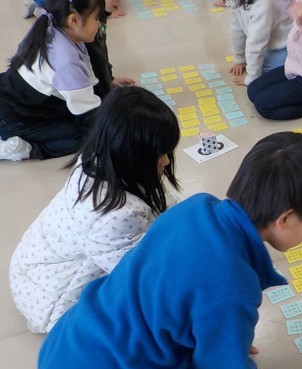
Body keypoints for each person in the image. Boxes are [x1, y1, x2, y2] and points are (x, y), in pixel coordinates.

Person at [12, 131, 302, 369]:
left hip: (65, 350)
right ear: (286, 218)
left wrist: (221, 332)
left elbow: (177, 294)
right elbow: (223, 368)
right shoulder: (235, 283)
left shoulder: (193, 208)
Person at [9, 86, 180, 335]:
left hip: (34, 266)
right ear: (127, 151)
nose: (166, 161)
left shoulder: (97, 160)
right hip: (54, 299)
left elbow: (163, 207)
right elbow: (140, 278)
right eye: (158, 154)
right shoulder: (116, 215)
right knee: (149, 327)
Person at [0, 0, 103, 161]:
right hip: (11, 118)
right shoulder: (66, 61)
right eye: (96, 18)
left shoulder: (54, 27)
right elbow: (88, 114)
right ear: (73, 20)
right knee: (87, 138)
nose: (100, 24)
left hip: (17, 99)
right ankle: (21, 149)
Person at [228, 0, 292, 87]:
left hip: (286, 49)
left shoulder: (263, 5)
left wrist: (252, 77)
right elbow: (236, 30)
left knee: (264, 71)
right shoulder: (237, 1)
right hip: (269, 43)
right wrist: (240, 59)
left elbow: (255, 45)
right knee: (255, 62)